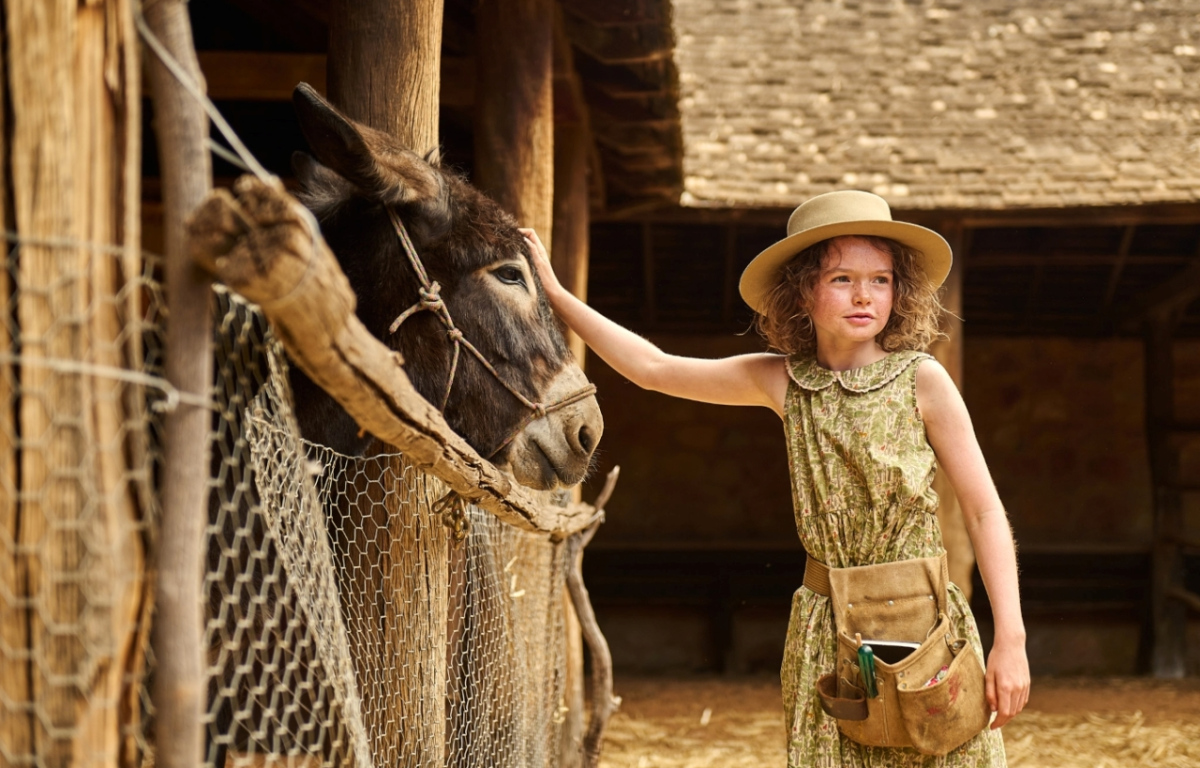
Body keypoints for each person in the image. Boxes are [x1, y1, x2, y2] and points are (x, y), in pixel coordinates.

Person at [522, 189, 1028, 767]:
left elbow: (985, 511)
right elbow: (654, 369)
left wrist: (1010, 638)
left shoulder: (924, 380)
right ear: (802, 292)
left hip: (924, 619)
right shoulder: (781, 381)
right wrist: (558, 297)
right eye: (841, 278)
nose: (864, 295)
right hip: (826, 626)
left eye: (881, 280)